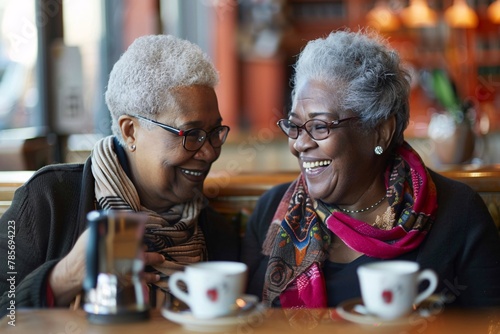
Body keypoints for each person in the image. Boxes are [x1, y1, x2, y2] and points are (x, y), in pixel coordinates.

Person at [242, 29, 500, 309]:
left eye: (319, 126)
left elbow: (488, 324)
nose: (299, 145)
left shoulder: (457, 213)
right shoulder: (272, 211)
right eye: (294, 126)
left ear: (380, 133)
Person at [0, 34, 239, 316]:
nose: (209, 152)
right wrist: (64, 277)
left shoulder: (216, 233)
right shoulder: (49, 201)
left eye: (214, 133)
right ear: (130, 131)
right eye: (192, 134)